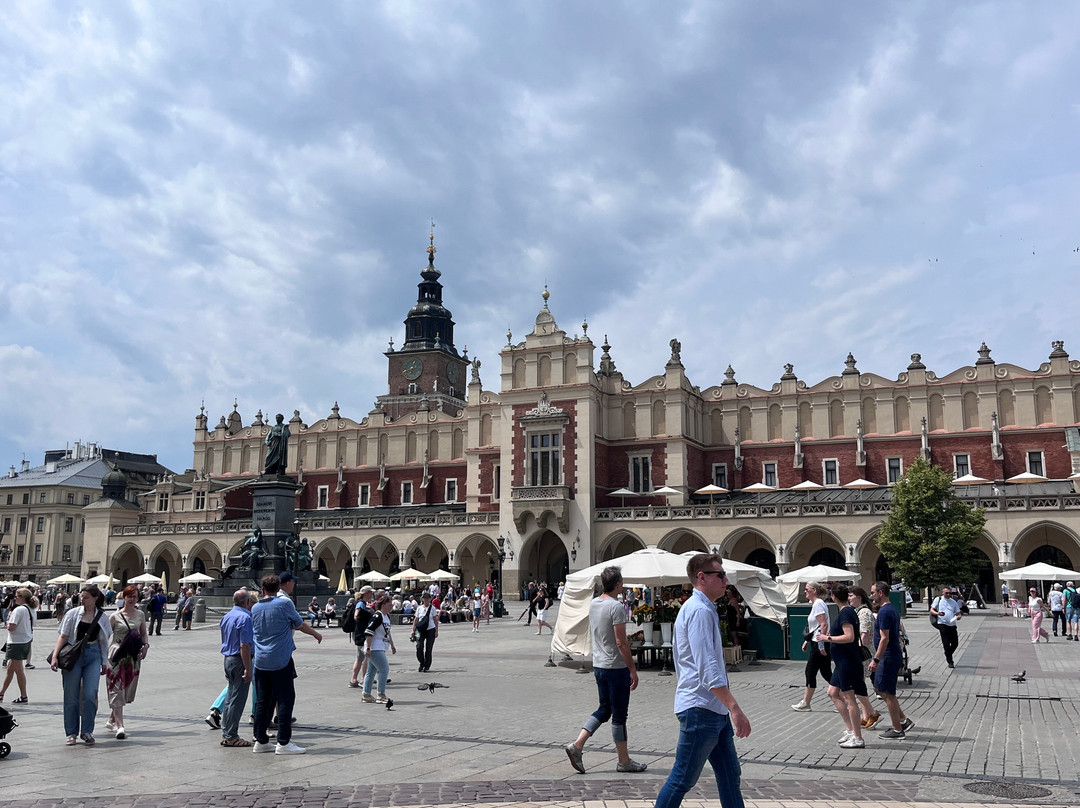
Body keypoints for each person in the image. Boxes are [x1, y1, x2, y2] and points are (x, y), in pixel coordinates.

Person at [653, 554, 750, 808]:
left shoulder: (705, 608)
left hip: (713, 709)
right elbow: (708, 670)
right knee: (682, 778)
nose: (725, 580)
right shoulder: (698, 610)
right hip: (700, 708)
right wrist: (735, 708)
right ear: (701, 577)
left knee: (730, 777)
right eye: (720, 575)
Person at [564, 565, 647, 775]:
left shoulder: (594, 604)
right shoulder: (616, 607)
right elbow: (621, 642)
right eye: (622, 582)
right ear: (618, 584)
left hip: (599, 665)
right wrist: (632, 668)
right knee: (619, 715)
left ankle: (578, 745)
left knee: (605, 709)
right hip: (615, 666)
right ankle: (624, 761)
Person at [251, 574, 322, 755]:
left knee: (262, 701)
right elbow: (299, 624)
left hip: (260, 661)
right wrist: (315, 634)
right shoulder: (284, 604)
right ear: (278, 588)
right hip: (281, 659)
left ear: (263, 589)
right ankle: (283, 742)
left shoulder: (255, 607)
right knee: (285, 700)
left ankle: (260, 741)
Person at [51, 585, 112, 746]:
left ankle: (87, 731)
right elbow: (63, 636)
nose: (82, 599)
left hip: (93, 654)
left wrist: (104, 661)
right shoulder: (72, 614)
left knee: (91, 694)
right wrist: (55, 656)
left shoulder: (102, 617)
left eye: (86, 597)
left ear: (95, 598)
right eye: (81, 596)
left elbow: (104, 641)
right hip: (74, 654)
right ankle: (71, 733)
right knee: (71, 695)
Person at [815, 585, 866, 748]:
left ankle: (858, 737)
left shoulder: (845, 612)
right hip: (841, 662)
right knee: (832, 692)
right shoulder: (847, 611)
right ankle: (850, 730)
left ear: (834, 596)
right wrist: (833, 636)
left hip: (847, 662)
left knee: (850, 698)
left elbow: (849, 637)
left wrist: (827, 638)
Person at [868, 581, 915, 739]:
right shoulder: (890, 609)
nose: (871, 596)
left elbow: (884, 638)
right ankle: (903, 720)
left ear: (881, 593)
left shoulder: (884, 611)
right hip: (890, 655)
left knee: (888, 693)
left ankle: (897, 729)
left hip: (888, 656)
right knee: (881, 689)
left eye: (873, 593)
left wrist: (876, 659)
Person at [104, 585, 149, 740]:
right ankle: (120, 726)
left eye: (135, 596)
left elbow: (143, 633)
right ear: (123, 598)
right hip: (116, 654)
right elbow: (104, 638)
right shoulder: (114, 617)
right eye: (129, 596)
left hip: (132, 656)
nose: (132, 599)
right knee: (116, 688)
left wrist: (146, 647)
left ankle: (112, 717)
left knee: (126, 689)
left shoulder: (141, 614)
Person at [217, 588, 255, 747]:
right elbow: (244, 645)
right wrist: (248, 668)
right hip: (240, 660)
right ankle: (231, 736)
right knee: (237, 700)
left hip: (228, 659)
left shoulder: (227, 616)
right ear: (247, 602)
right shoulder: (245, 617)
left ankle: (226, 733)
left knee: (229, 698)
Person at [792, 582, 831, 711]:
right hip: (817, 642)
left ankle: (806, 703)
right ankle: (844, 698)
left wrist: (821, 644)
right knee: (826, 672)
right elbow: (816, 627)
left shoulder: (818, 604)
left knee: (810, 671)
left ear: (814, 590)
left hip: (819, 644)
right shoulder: (816, 604)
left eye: (807, 589)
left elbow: (823, 624)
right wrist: (807, 641)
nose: (805, 592)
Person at [849, 586, 881, 729]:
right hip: (861, 652)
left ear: (859, 597)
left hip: (862, 653)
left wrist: (854, 649)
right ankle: (866, 715)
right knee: (859, 685)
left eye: (851, 596)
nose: (849, 598)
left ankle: (871, 714)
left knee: (858, 685)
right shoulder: (859, 611)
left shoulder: (864, 612)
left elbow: (864, 633)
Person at [1, 588, 38, 704]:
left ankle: (24, 696)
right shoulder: (31, 609)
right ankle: (1, 693)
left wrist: (7, 623)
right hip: (25, 640)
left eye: (17, 596)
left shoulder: (19, 610)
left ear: (22, 597)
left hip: (16, 642)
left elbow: (11, 627)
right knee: (10, 669)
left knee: (19, 671)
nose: (15, 598)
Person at [361, 595, 396, 703]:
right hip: (374, 647)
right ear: (383, 604)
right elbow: (369, 631)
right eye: (390, 605)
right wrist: (368, 647)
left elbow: (387, 632)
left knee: (371, 671)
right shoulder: (377, 616)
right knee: (384, 669)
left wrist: (392, 645)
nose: (391, 607)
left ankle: (366, 694)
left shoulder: (386, 616)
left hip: (380, 646)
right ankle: (381, 694)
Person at [929, 586, 963, 667]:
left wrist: (959, 616)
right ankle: (950, 661)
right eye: (946, 593)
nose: (948, 594)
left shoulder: (953, 602)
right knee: (946, 643)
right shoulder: (938, 599)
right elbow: (931, 610)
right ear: (943, 593)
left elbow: (958, 612)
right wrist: (937, 613)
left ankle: (947, 653)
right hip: (942, 623)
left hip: (952, 624)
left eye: (950, 593)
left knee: (955, 643)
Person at [349, 586, 375, 687]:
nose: (371, 595)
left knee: (360, 658)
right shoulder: (361, 603)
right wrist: (364, 623)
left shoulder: (362, 603)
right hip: (361, 634)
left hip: (358, 633)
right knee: (365, 658)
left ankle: (354, 680)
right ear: (366, 593)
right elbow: (356, 616)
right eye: (370, 593)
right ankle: (363, 679)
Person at [412, 592, 439, 671]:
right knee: (419, 647)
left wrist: (436, 631)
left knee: (428, 648)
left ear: (430, 599)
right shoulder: (419, 608)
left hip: (430, 629)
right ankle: (422, 663)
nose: (426, 599)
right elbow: (416, 619)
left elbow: (435, 620)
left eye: (427, 598)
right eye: (424, 598)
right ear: (422, 599)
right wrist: (413, 630)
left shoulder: (432, 608)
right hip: (421, 630)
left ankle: (427, 665)